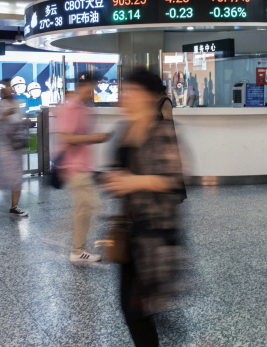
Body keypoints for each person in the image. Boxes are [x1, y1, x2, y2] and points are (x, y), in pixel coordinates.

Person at [103, 69, 186, 347]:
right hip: (130, 230)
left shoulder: (161, 132)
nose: (124, 96)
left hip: (154, 232)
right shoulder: (125, 130)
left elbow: (172, 180)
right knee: (132, 306)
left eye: (131, 91)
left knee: (137, 308)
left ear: (148, 95)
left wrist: (132, 182)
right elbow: (117, 171)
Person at [55, 73, 110, 262]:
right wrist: (95, 138)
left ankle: (78, 249)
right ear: (83, 87)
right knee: (88, 206)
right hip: (74, 167)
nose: (92, 91)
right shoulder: (72, 108)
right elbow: (67, 137)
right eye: (91, 87)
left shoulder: (83, 108)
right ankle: (77, 250)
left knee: (85, 207)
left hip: (82, 166)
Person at [0, 80, 28, 217]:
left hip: (17, 145)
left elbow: (18, 120)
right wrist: (5, 115)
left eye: (11, 87)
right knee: (10, 176)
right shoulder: (1, 105)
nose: (9, 90)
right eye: (7, 87)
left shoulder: (16, 103)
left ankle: (14, 206)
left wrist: (24, 123)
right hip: (7, 146)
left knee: (17, 177)